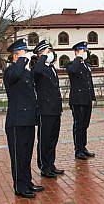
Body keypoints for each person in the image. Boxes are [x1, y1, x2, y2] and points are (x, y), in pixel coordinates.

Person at [3, 39, 44, 198]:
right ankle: (20, 187)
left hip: (27, 120)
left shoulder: (25, 72)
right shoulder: (10, 71)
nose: (26, 55)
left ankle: (27, 183)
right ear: (15, 56)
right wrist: (21, 59)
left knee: (26, 155)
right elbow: (14, 76)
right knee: (18, 156)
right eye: (23, 52)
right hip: (16, 122)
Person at [33, 40, 64, 178]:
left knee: (53, 139)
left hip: (55, 109)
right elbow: (36, 71)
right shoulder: (38, 68)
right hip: (45, 110)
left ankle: (51, 164)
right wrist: (43, 57)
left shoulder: (51, 68)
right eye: (47, 51)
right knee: (44, 139)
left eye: (50, 51)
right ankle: (44, 167)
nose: (50, 54)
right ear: (40, 54)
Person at [66, 41, 96, 160]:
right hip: (77, 101)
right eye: (83, 51)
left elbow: (89, 83)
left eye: (85, 51)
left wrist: (92, 97)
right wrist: (78, 58)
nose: (85, 53)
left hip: (87, 99)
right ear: (77, 52)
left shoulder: (86, 65)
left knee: (85, 124)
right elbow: (72, 71)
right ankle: (78, 150)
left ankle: (83, 147)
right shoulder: (71, 64)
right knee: (78, 125)